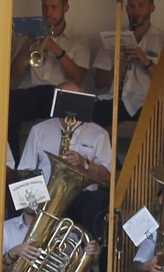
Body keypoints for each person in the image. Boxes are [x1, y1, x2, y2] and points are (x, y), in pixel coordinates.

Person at [18, 83, 113, 238]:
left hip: (81, 197)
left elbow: (109, 178)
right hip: (45, 195)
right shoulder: (39, 130)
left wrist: (85, 164)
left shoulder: (99, 134)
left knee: (99, 199)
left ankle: (89, 251)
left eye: (77, 98)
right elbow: (25, 171)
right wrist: (33, 202)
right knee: (15, 195)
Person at [8, 0, 91, 152]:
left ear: (65, 8)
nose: (48, 12)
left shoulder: (78, 38)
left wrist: (57, 50)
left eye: (54, 7)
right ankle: (12, 165)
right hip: (31, 93)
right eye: (44, 7)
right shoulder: (27, 35)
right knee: (8, 105)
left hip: (59, 94)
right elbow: (14, 73)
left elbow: (78, 77)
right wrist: (27, 45)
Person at [92, 0, 164, 126]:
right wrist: (114, 72)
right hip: (113, 101)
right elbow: (98, 83)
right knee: (89, 110)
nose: (135, 11)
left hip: (144, 103)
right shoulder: (114, 37)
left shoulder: (162, 40)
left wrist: (146, 62)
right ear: (126, 9)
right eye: (131, 6)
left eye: (141, 5)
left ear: (152, 8)